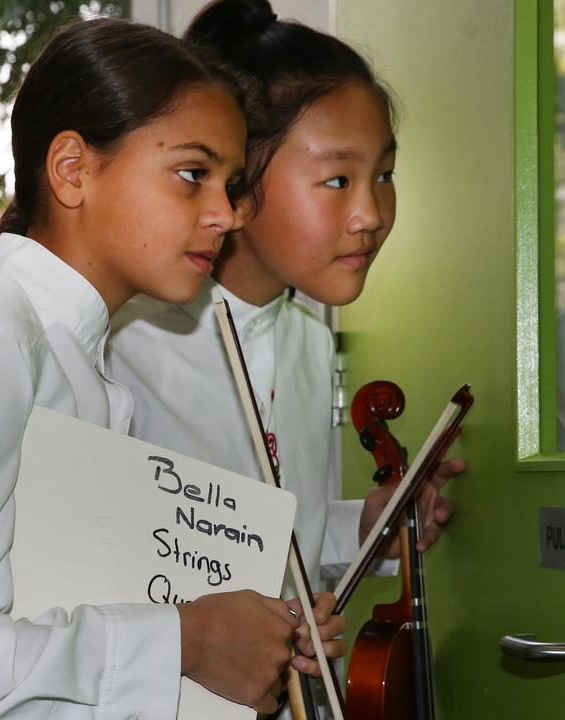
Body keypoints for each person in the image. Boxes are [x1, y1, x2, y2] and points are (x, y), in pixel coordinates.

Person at [0, 18, 319, 719]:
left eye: (230, 183)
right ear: (72, 170)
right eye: (193, 175)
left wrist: (252, 638)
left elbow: (59, 633)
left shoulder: (76, 361)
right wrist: (184, 640)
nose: (224, 214)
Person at [108, 0, 464, 632]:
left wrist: (363, 530)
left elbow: (274, 544)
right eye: (337, 180)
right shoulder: (124, 339)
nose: (372, 214)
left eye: (384, 174)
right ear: (239, 180)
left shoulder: (308, 340)